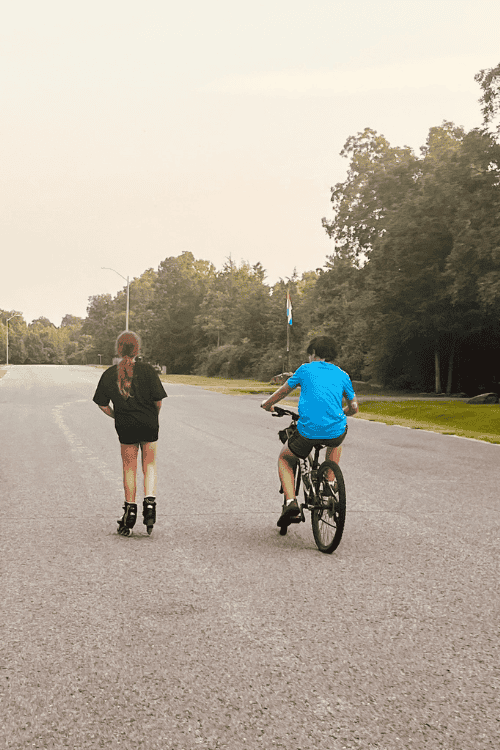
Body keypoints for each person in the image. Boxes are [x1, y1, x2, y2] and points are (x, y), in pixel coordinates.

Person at [261, 336, 358, 530]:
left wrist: (268, 404)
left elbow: (283, 391)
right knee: (336, 439)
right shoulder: (342, 375)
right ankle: (330, 483)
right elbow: (354, 407)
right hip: (335, 429)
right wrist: (340, 414)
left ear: (313, 353)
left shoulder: (305, 369)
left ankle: (291, 503)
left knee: (285, 458)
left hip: (308, 430)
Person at [93, 331, 168, 536]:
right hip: (149, 423)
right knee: (149, 464)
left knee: (129, 467)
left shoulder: (110, 374)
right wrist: (152, 416)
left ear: (118, 349)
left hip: (125, 424)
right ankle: (150, 505)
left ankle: (130, 511)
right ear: (138, 349)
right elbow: (158, 402)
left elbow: (102, 404)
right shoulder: (149, 371)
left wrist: (117, 415)